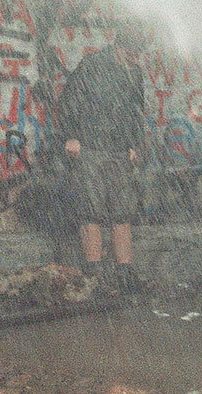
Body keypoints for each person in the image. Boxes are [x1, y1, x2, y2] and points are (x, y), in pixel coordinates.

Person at [54, 30, 146, 292]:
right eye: (130, 53)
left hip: (118, 150)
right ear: (117, 46)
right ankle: (93, 274)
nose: (134, 58)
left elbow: (137, 109)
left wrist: (133, 143)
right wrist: (71, 136)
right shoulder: (92, 65)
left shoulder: (134, 73)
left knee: (123, 213)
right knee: (90, 213)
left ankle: (124, 274)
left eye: (137, 54)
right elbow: (70, 100)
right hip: (90, 148)